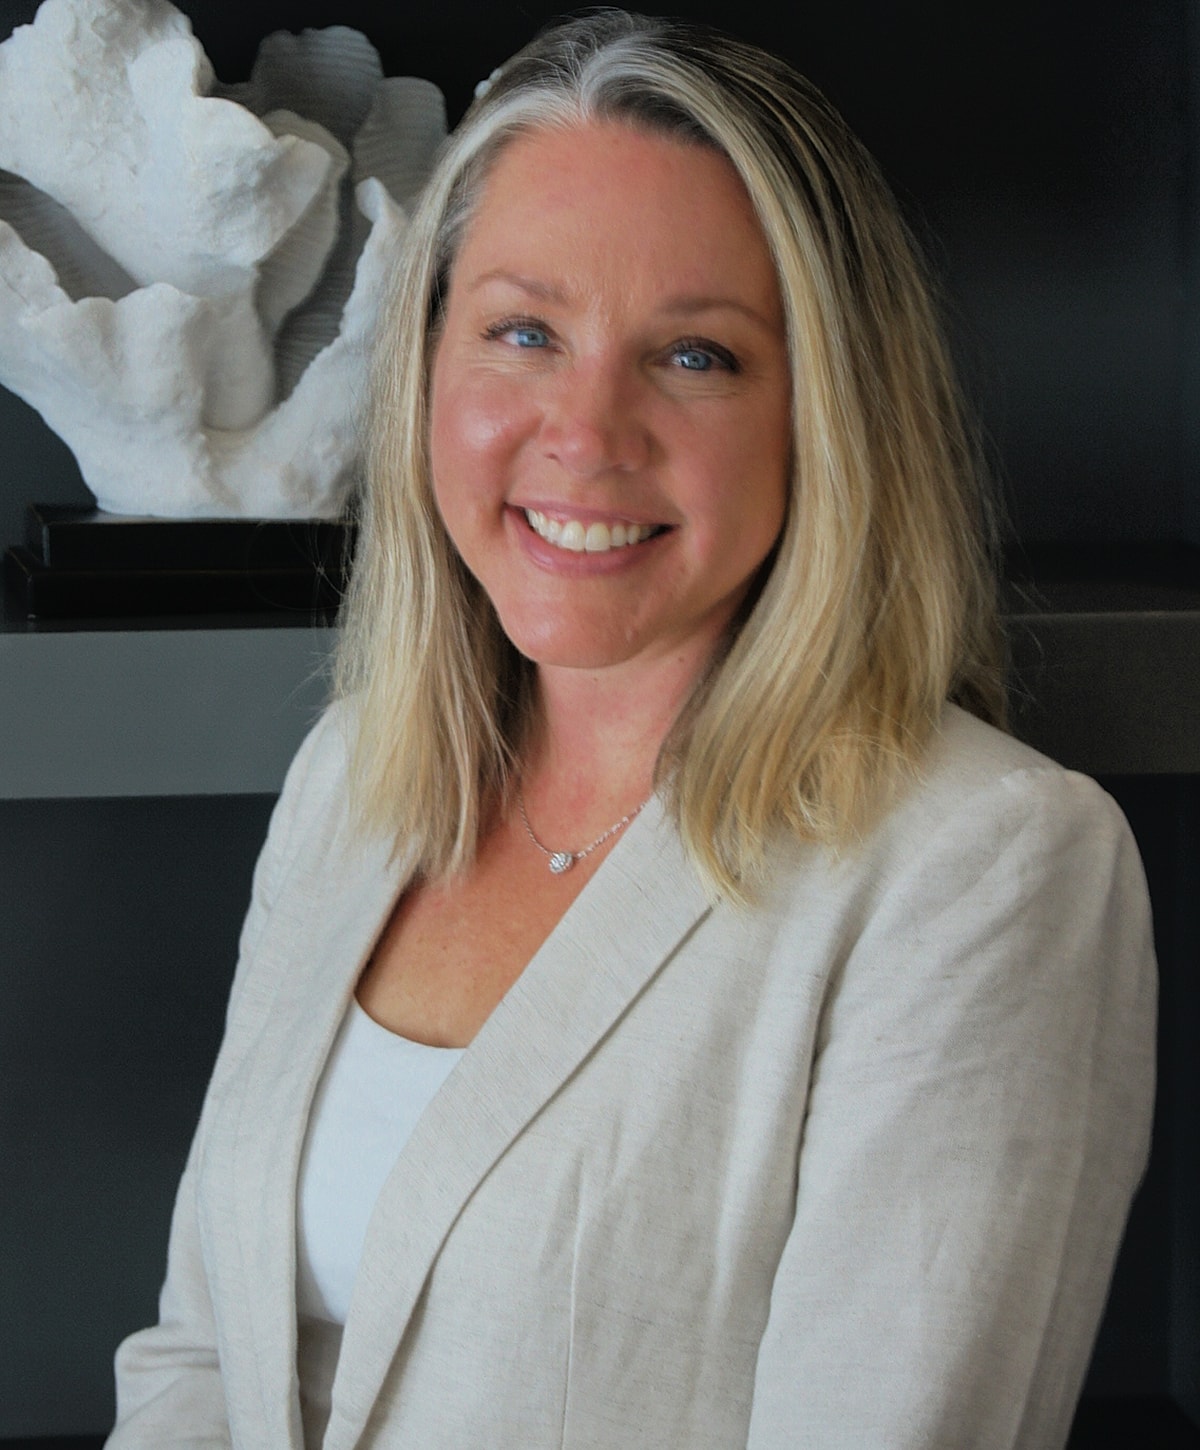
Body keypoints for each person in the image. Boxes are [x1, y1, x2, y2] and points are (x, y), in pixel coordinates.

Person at [106, 11, 1156, 1449]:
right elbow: (199, 1354)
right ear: (427, 370)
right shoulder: (356, 770)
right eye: (523, 331)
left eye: (696, 357)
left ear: (823, 413)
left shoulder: (985, 867)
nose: (586, 430)